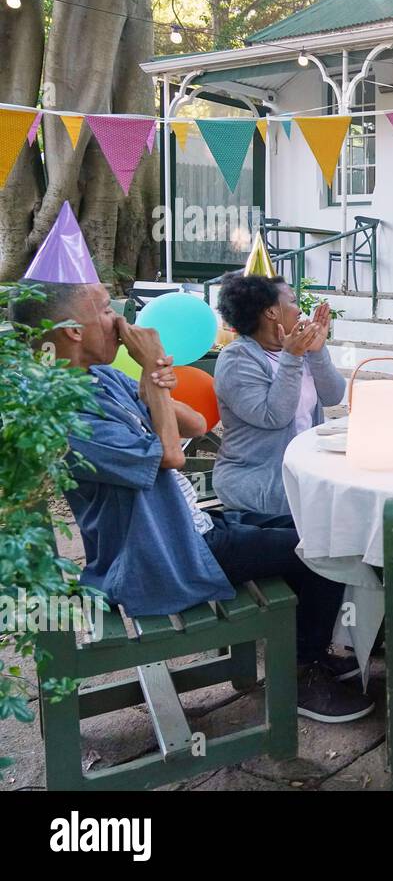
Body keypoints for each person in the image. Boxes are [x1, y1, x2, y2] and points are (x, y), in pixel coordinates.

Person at [11, 280, 372, 722]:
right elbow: (171, 455)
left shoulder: (100, 378)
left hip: (188, 525)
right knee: (322, 551)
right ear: (71, 330)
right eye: (107, 310)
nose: (121, 320)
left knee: (321, 535)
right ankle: (301, 672)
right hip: (159, 556)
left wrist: (155, 372)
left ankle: (302, 650)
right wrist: (152, 375)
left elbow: (196, 422)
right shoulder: (66, 413)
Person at [213, 273, 345, 516]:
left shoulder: (296, 348)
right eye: (293, 301)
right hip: (258, 479)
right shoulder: (237, 359)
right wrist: (292, 357)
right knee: (341, 506)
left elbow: (334, 396)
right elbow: (274, 417)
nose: (300, 311)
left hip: (305, 468)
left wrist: (317, 351)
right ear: (271, 312)